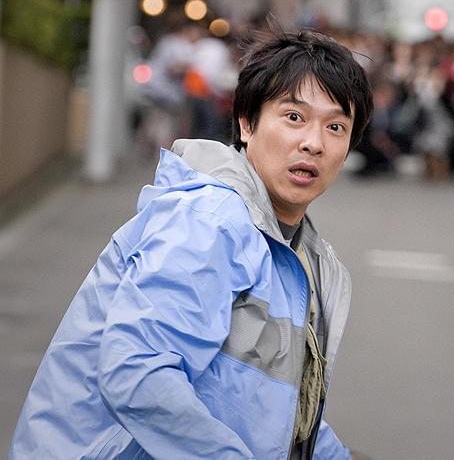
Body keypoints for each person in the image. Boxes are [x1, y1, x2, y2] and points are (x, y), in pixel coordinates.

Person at [9, 29, 373, 459]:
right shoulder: (210, 219)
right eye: (294, 117)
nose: (313, 143)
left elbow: (275, 408)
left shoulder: (295, 252)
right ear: (246, 123)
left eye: (335, 127)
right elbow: (138, 373)